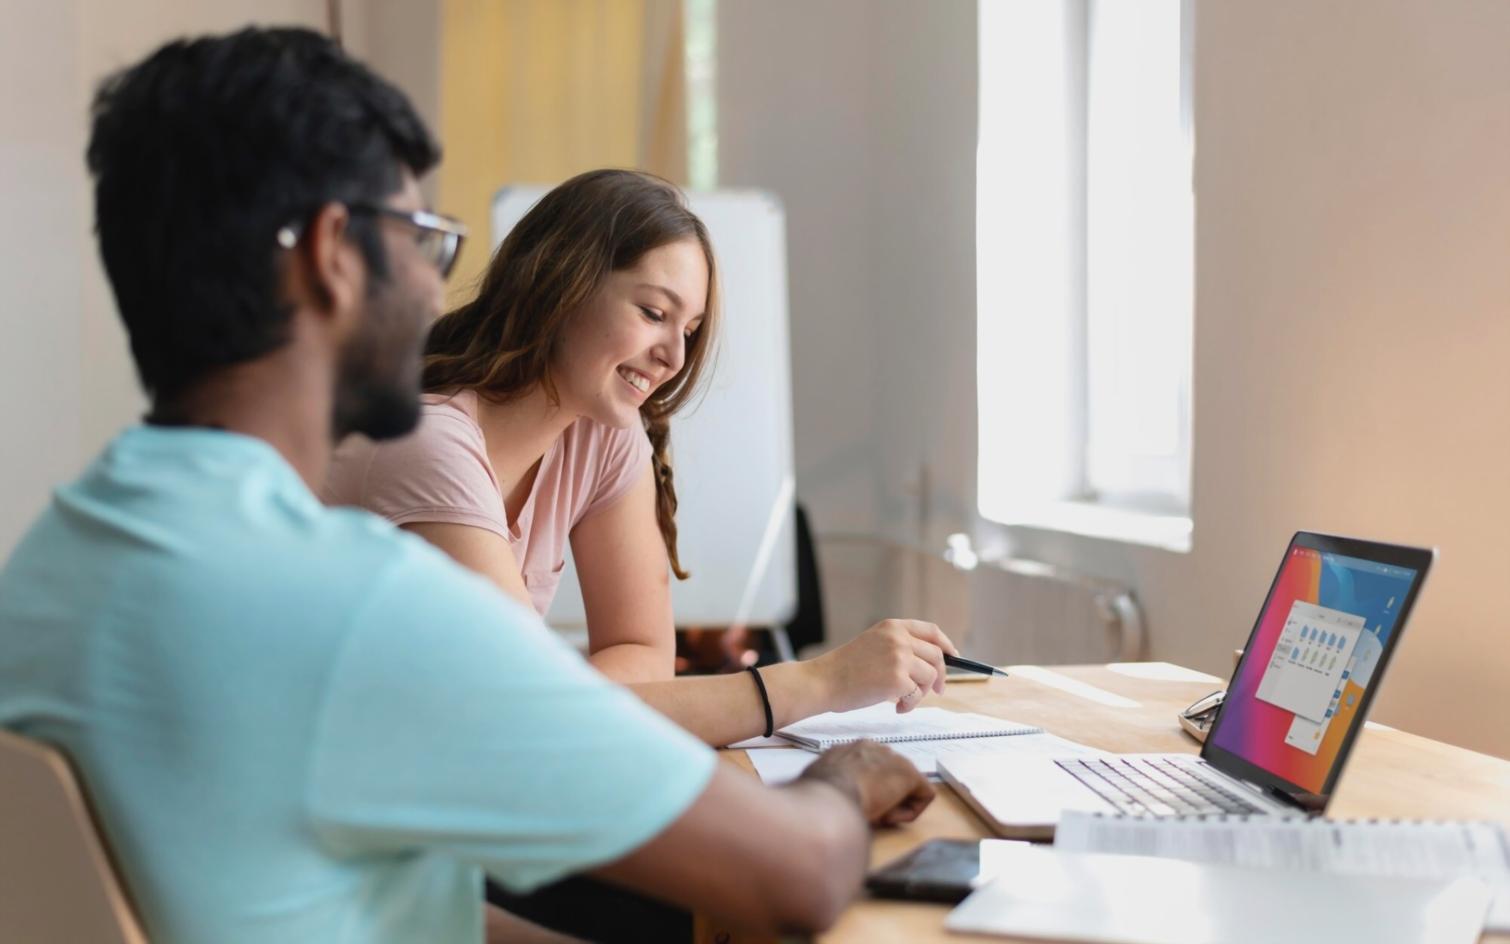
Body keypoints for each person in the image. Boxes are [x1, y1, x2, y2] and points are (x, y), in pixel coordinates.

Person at [0, 27, 933, 943]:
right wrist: (850, 770)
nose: (436, 286)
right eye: (422, 239)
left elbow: (333, 890)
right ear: (335, 252)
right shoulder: (367, 604)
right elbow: (796, 877)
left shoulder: (52, 564)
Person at [323, 169, 960, 747]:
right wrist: (818, 685)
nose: (675, 359)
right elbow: (534, 714)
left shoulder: (601, 432)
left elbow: (637, 653)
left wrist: (561, 705)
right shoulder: (427, 440)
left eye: (687, 331)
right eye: (654, 313)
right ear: (558, 283)